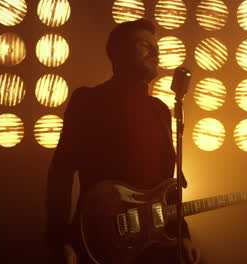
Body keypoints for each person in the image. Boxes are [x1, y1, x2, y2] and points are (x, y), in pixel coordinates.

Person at [44, 19, 201, 264]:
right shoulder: (88, 101)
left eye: (156, 47)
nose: (155, 53)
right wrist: (59, 239)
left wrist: (183, 234)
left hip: (151, 242)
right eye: (144, 46)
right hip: (99, 240)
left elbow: (166, 187)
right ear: (119, 54)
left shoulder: (160, 110)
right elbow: (61, 173)